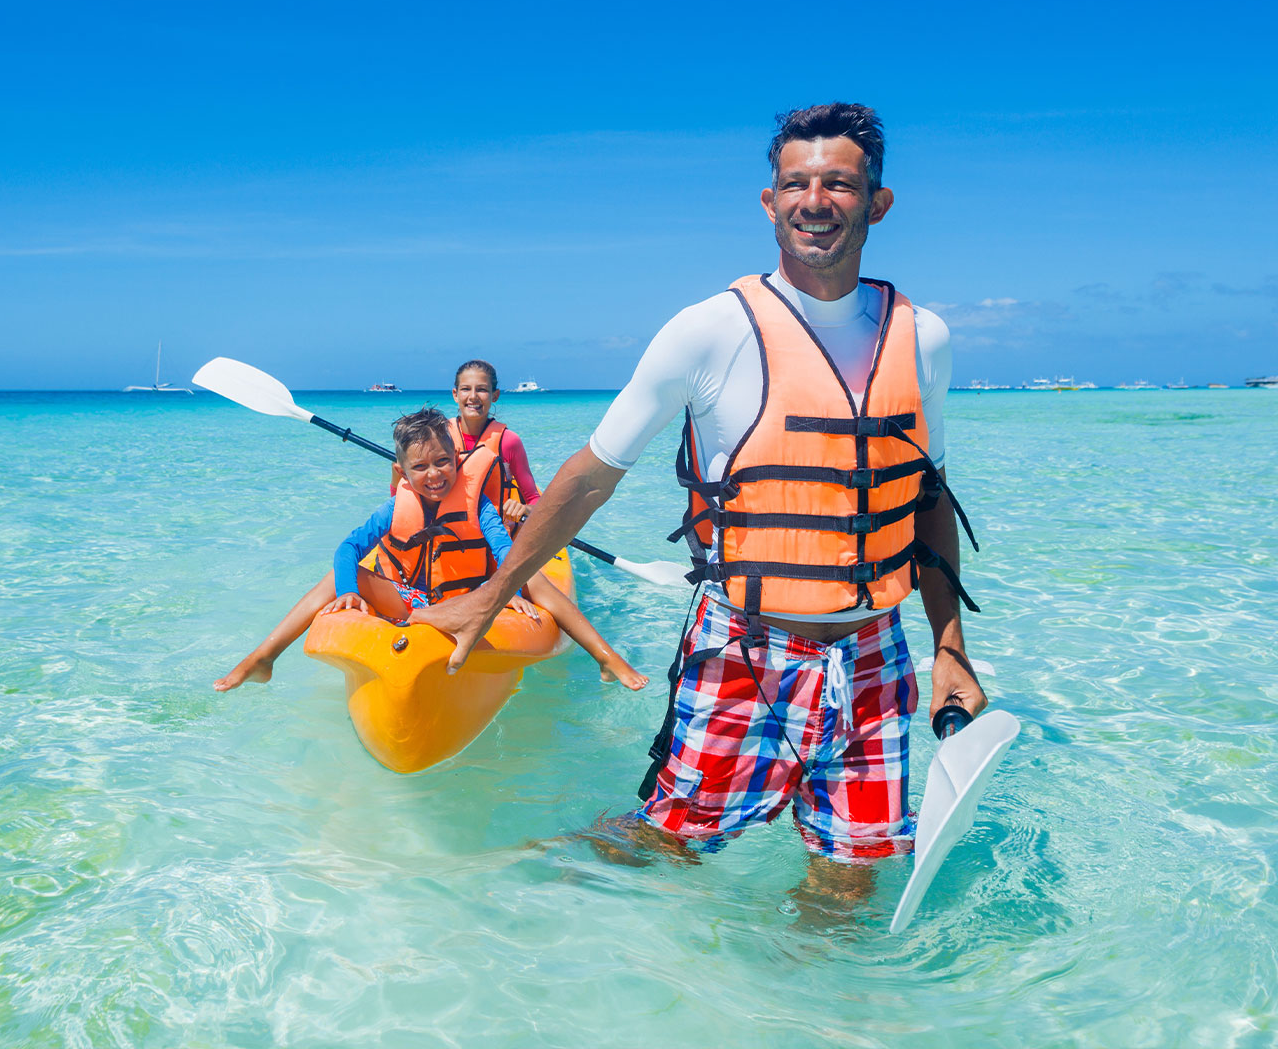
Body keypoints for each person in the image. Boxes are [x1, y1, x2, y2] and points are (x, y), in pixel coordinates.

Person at [413, 103, 987, 867]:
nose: (815, 201)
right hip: (744, 649)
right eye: (796, 184)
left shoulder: (923, 338)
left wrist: (950, 648)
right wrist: (491, 598)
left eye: (840, 184)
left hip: (875, 657)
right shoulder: (707, 330)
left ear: (877, 203)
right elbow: (588, 479)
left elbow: (927, 496)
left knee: (852, 876)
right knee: (661, 848)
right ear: (769, 202)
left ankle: (799, 992)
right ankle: (500, 893)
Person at [215, 407, 646, 692]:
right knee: (335, 577)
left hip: (469, 599)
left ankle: (605, 657)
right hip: (411, 599)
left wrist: (509, 592)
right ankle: (263, 657)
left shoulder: (478, 504)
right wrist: (349, 588)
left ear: (458, 460)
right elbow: (348, 547)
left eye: (443, 461)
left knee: (529, 572)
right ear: (402, 471)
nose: (435, 474)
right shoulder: (393, 508)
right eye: (420, 467)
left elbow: (503, 550)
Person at [389, 359, 540, 527]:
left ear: (495, 395)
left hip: (493, 536)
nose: (473, 396)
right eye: (466, 389)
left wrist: (524, 509)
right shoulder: (438, 435)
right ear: (455, 394)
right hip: (444, 533)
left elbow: (535, 500)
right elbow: (399, 492)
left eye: (482, 389)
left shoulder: (509, 441)